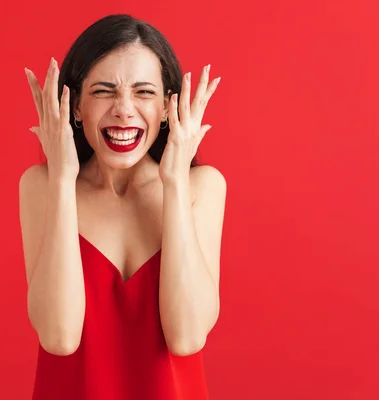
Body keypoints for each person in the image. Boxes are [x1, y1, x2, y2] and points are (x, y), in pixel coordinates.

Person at [20, 13, 226, 400]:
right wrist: (63, 180)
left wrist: (176, 181)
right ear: (75, 107)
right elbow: (59, 336)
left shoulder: (203, 186)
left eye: (144, 92)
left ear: (168, 108)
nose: (125, 109)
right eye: (103, 91)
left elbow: (186, 336)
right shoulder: (41, 186)